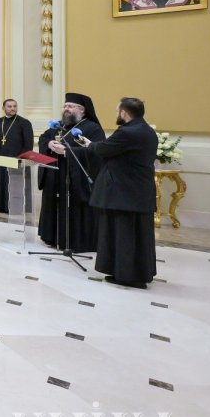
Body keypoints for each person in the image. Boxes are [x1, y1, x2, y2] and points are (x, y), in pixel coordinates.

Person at [76, 97, 158, 288]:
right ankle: (135, 273)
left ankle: (127, 275)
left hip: (124, 193)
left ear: (124, 113)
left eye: (117, 111)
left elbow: (104, 149)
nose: (116, 115)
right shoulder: (147, 130)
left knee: (124, 236)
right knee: (138, 236)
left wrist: (88, 144)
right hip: (138, 191)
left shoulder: (127, 132)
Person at [38, 93, 107, 252]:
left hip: (75, 179)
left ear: (82, 110)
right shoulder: (59, 125)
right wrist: (49, 143)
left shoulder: (93, 128)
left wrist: (67, 152)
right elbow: (43, 138)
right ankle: (52, 236)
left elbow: (96, 152)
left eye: (70, 106)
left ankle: (74, 241)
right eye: (65, 106)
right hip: (55, 175)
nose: (66, 109)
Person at [0, 99, 34, 213]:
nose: (12, 108)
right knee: (2, 182)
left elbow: (28, 144)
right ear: (3, 108)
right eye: (9, 106)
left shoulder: (24, 123)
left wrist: (22, 159)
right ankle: (2, 206)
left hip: (17, 159)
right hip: (1, 159)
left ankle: (17, 208)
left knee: (16, 185)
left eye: (14, 106)